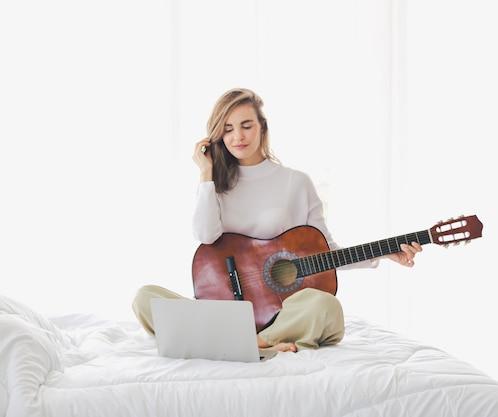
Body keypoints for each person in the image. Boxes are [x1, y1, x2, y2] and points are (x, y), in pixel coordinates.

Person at [132, 87, 422, 353]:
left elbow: (326, 252)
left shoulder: (296, 182)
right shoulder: (214, 186)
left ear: (262, 127)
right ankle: (249, 343)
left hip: (278, 316)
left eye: (247, 126)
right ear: (217, 135)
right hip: (224, 314)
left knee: (324, 305)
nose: (238, 137)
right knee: (145, 297)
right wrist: (205, 174)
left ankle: (252, 343)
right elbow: (206, 236)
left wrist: (383, 254)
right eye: (228, 129)